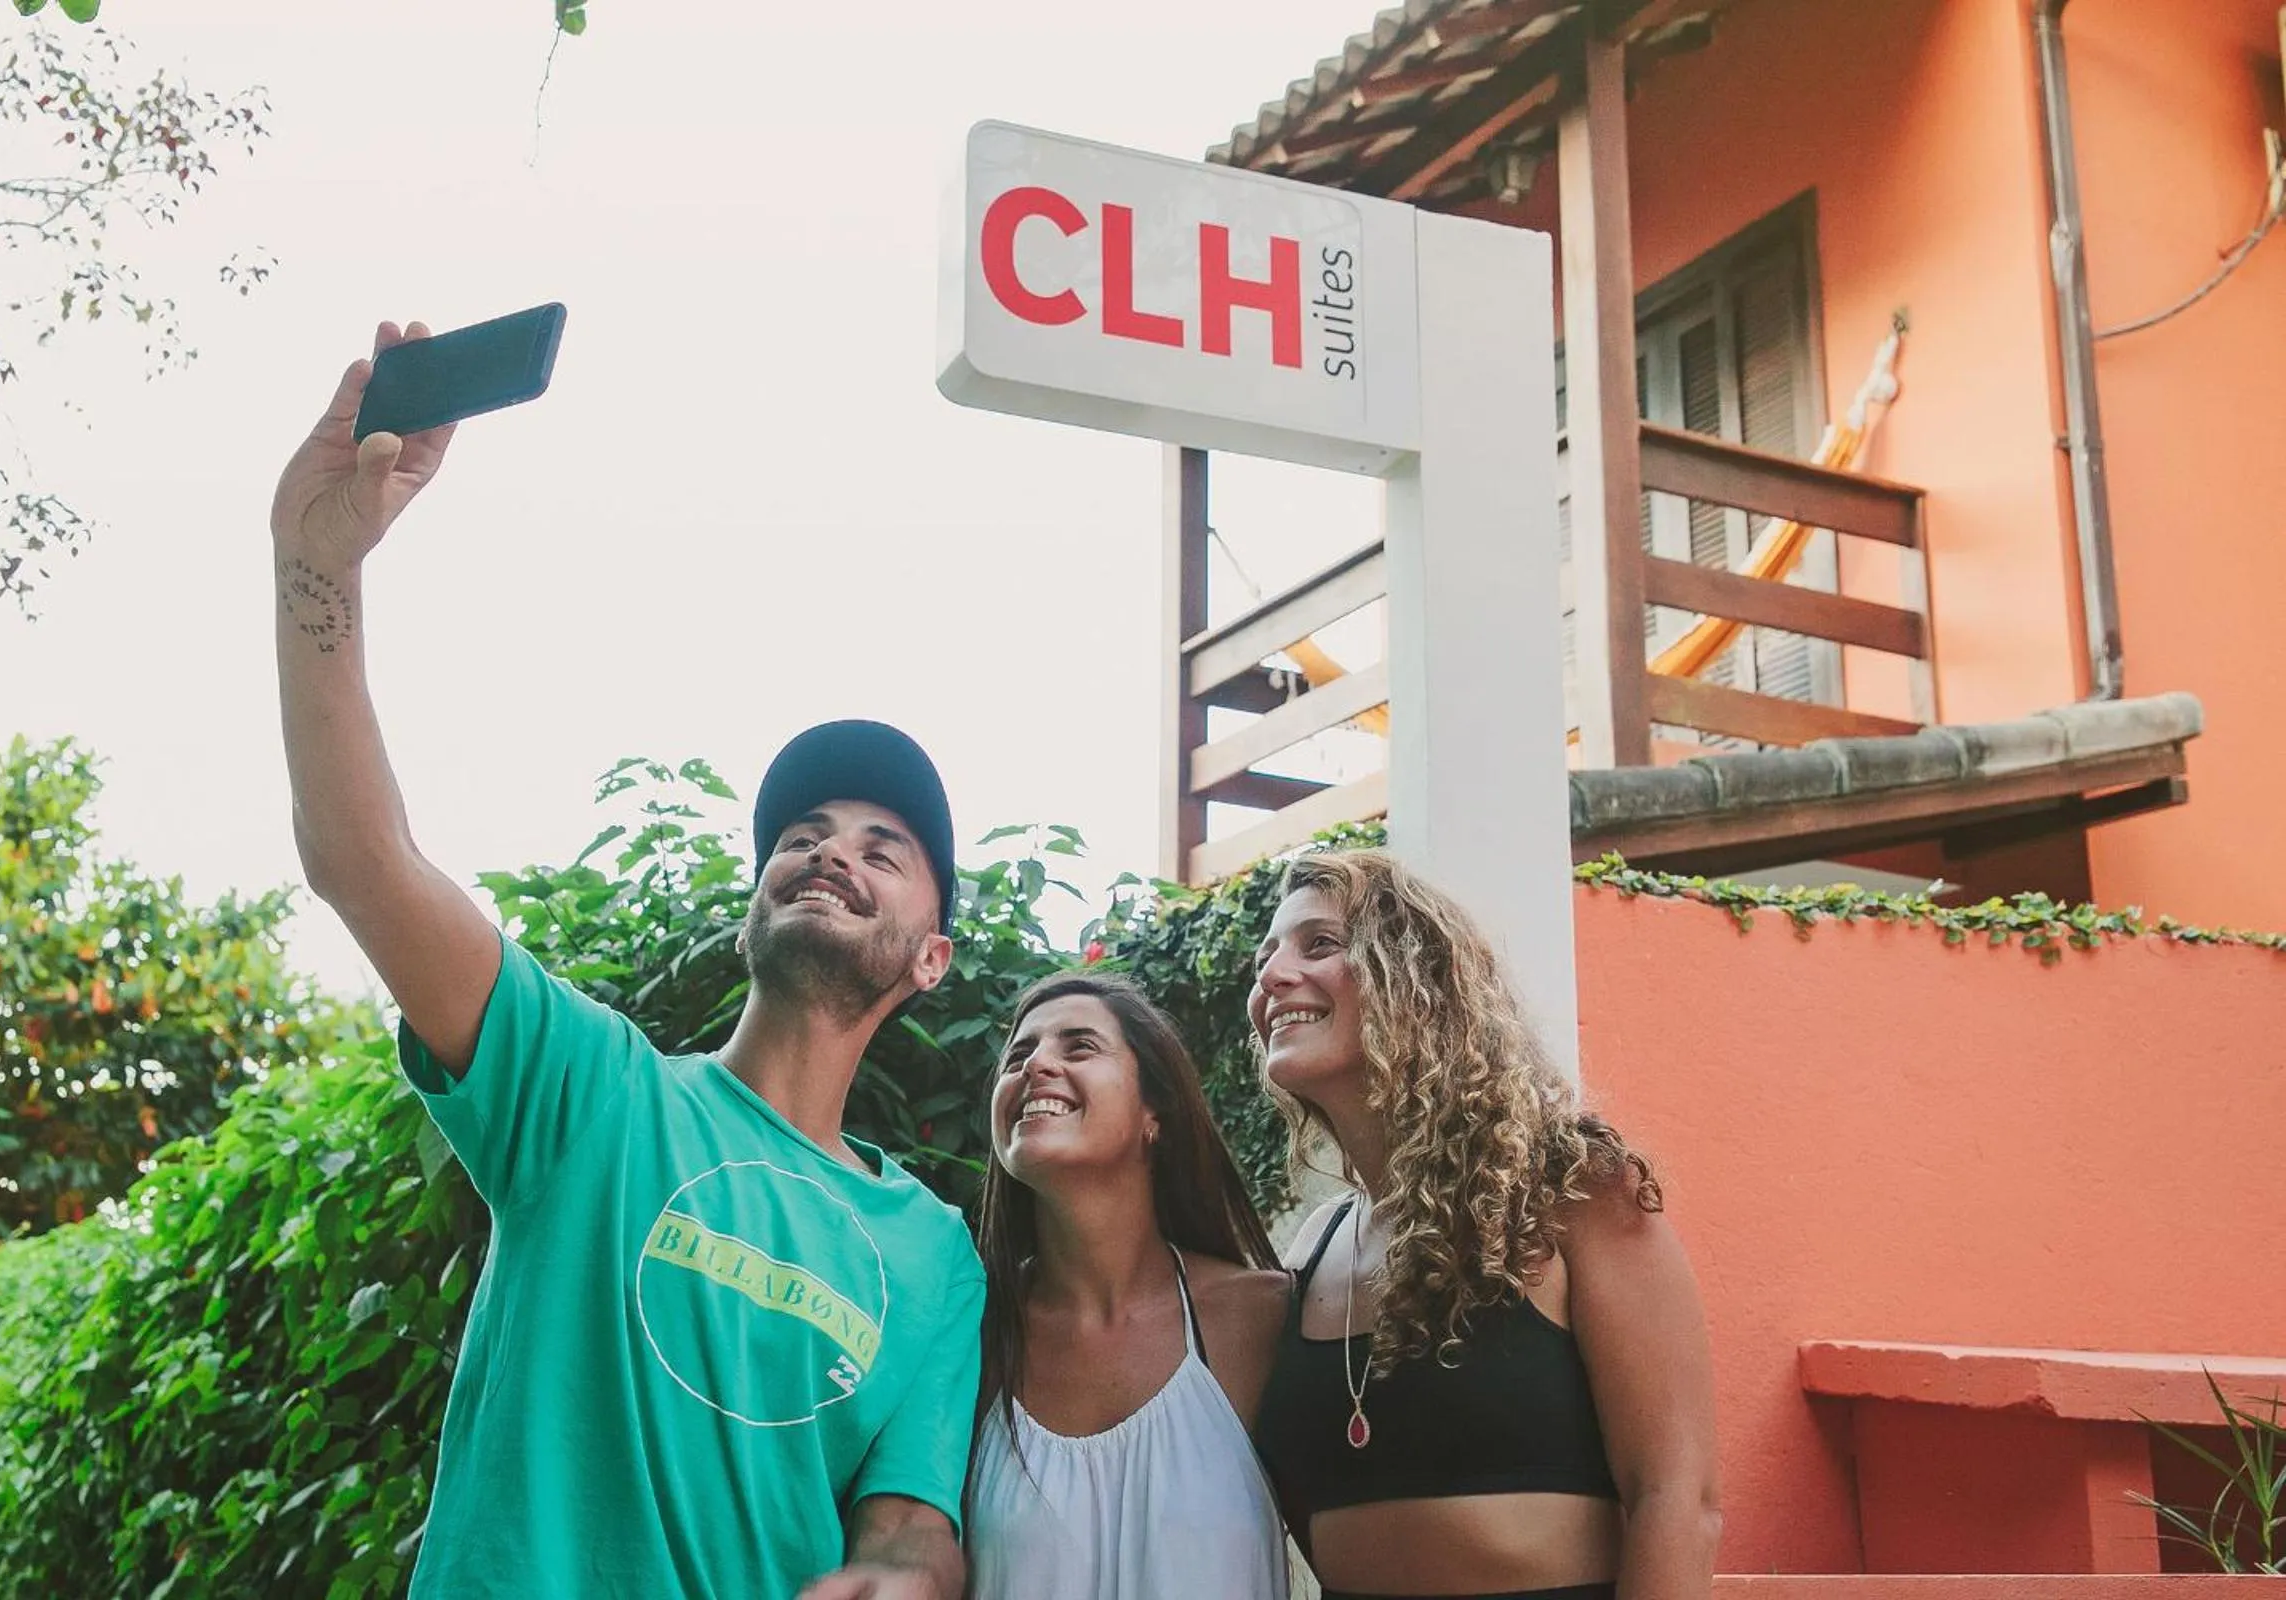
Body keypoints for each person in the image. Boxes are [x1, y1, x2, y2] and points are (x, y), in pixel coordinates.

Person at [270, 322, 983, 1600]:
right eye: (805, 836)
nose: (831, 853)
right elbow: (362, 858)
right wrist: (316, 567)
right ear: (756, 901)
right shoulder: (588, 1091)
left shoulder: (930, 1248)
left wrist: (902, 1576)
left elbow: (910, 1514)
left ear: (930, 957)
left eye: (884, 848)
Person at [1246, 850, 1721, 1600]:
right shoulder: (1314, 1248)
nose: (1271, 976)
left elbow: (1677, 1499)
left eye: (1320, 945)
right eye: (1266, 955)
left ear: (1416, 978)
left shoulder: (1574, 1190)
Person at [967, 971, 1293, 1600]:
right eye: (1018, 1054)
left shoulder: (1262, 1319)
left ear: (1154, 1113)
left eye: (1079, 1047)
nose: (1036, 1066)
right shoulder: (971, 1336)